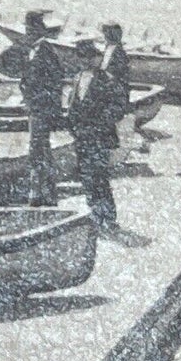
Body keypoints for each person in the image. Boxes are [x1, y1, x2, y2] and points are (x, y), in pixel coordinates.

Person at [67, 40, 119, 230]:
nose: (85, 60)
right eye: (81, 57)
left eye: (89, 56)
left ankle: (109, 216)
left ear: (96, 58)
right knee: (86, 176)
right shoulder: (77, 78)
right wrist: (73, 127)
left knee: (100, 177)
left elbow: (114, 110)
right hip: (82, 137)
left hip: (99, 137)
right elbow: (73, 106)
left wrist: (97, 127)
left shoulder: (107, 79)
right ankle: (95, 215)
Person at [18, 11, 64, 206]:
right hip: (35, 109)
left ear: (37, 30)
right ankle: (42, 192)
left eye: (29, 29)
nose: (27, 33)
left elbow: (55, 84)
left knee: (39, 150)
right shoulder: (35, 51)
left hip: (41, 110)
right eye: (27, 29)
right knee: (39, 150)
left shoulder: (46, 52)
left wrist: (41, 103)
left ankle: (42, 194)